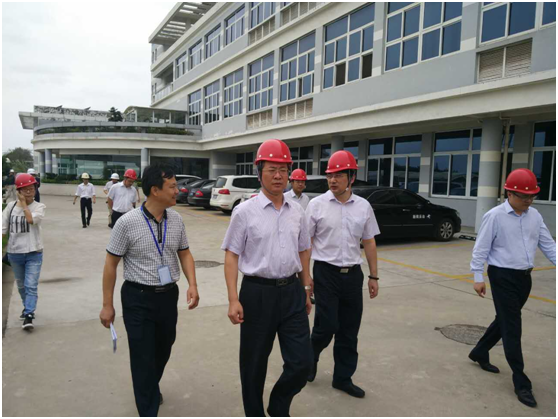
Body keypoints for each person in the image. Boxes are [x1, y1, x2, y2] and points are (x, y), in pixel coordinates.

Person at [222, 139, 313, 417]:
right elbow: (231, 255)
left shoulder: (297, 211)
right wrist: (233, 299)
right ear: (259, 171)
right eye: (272, 169)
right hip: (257, 294)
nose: (278, 176)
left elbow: (304, 249)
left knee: (302, 363)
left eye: (283, 170)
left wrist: (306, 287)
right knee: (253, 365)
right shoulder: (244, 211)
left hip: (292, 291)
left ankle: (278, 405)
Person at [99, 163, 200, 417]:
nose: (178, 190)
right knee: (142, 356)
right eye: (173, 186)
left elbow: (185, 253)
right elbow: (111, 264)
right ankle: (148, 409)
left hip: (168, 297)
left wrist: (193, 284)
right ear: (155, 190)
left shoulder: (176, 220)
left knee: (164, 348)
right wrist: (107, 304)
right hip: (138, 298)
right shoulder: (127, 223)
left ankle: (149, 386)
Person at [469, 168, 556, 408]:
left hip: (524, 278)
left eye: (532, 196)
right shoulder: (495, 216)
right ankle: (521, 382)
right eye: (523, 196)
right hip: (501, 276)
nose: (528, 200)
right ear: (509, 193)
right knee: (513, 327)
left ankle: (479, 351)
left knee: (505, 320)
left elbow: (548, 245)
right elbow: (481, 248)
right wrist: (478, 276)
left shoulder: (535, 216)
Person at [305, 150, 380, 399]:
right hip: (325, 273)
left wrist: (374, 276)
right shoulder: (316, 205)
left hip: (353, 275)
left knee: (349, 330)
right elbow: (305, 244)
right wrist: (306, 278)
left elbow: (369, 242)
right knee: (326, 326)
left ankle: (343, 378)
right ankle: (310, 356)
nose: (332, 180)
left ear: (352, 177)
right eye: (329, 175)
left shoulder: (363, 206)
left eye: (338, 175)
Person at [2, 173, 46, 331]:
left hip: (34, 252)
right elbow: (3, 229)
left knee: (31, 285)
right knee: (21, 285)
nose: (29, 191)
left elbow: (30, 220)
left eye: (32, 188)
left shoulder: (39, 207)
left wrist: (24, 205)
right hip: (15, 253)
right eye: (25, 189)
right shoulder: (10, 207)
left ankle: (29, 314)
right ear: (18, 190)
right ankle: (26, 307)